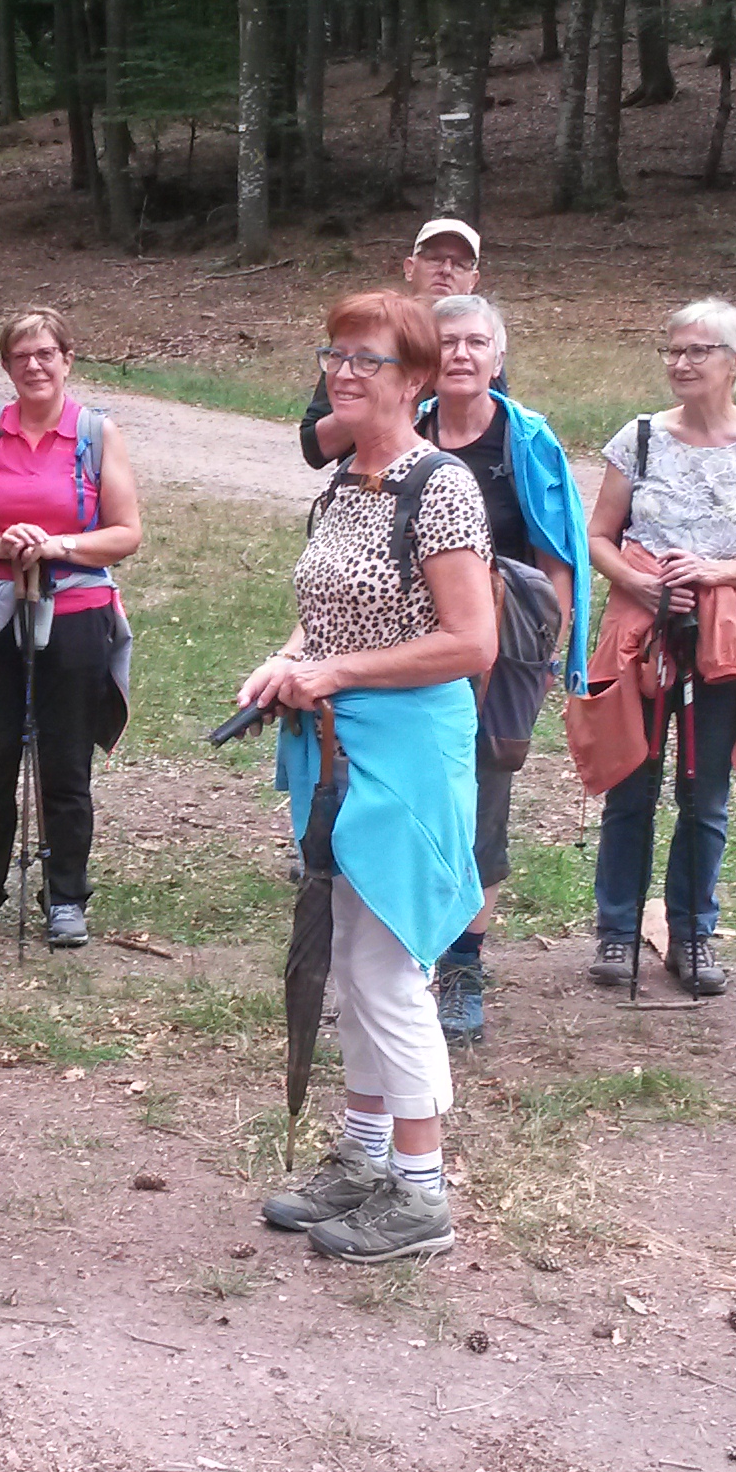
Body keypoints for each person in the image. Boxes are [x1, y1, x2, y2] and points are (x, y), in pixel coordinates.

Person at [244, 291, 496, 1264]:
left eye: (368, 359)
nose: (343, 373)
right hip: (338, 746)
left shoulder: (441, 487)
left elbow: (470, 642)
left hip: (408, 749)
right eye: (335, 355)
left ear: (417, 379)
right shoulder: (349, 480)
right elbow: (331, 608)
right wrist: (288, 657)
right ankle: (362, 1154)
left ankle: (422, 1194)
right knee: (350, 956)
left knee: (390, 969)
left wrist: (335, 672)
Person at [568, 300, 736, 999]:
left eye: (699, 350)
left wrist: (713, 573)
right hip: (640, 641)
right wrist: (640, 585)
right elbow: (598, 537)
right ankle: (617, 932)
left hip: (725, 647)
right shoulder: (639, 437)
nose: (681, 362)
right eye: (673, 350)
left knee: (704, 797)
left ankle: (693, 934)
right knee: (630, 784)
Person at [0, 309, 143, 948]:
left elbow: (126, 533)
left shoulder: (95, 434)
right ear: (7, 366)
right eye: (21, 356)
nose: (34, 366)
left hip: (77, 615)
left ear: (67, 360)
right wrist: (2, 544)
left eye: (46, 353)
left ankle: (66, 896)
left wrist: (56, 546)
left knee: (65, 759)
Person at [417, 294, 590, 1044]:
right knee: (408, 800)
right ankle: (404, 964)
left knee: (483, 806)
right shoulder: (404, 430)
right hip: (406, 649)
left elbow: (556, 557)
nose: (461, 354)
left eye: (476, 342)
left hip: (502, 654)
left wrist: (545, 655)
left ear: (498, 356)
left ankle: (462, 969)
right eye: (447, 341)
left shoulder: (526, 441)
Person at [298, 216, 483, 468]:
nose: (446, 270)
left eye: (459, 264)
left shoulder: (478, 350)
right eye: (434, 258)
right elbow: (315, 448)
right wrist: (373, 395)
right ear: (409, 268)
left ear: (473, 281)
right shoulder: (372, 331)